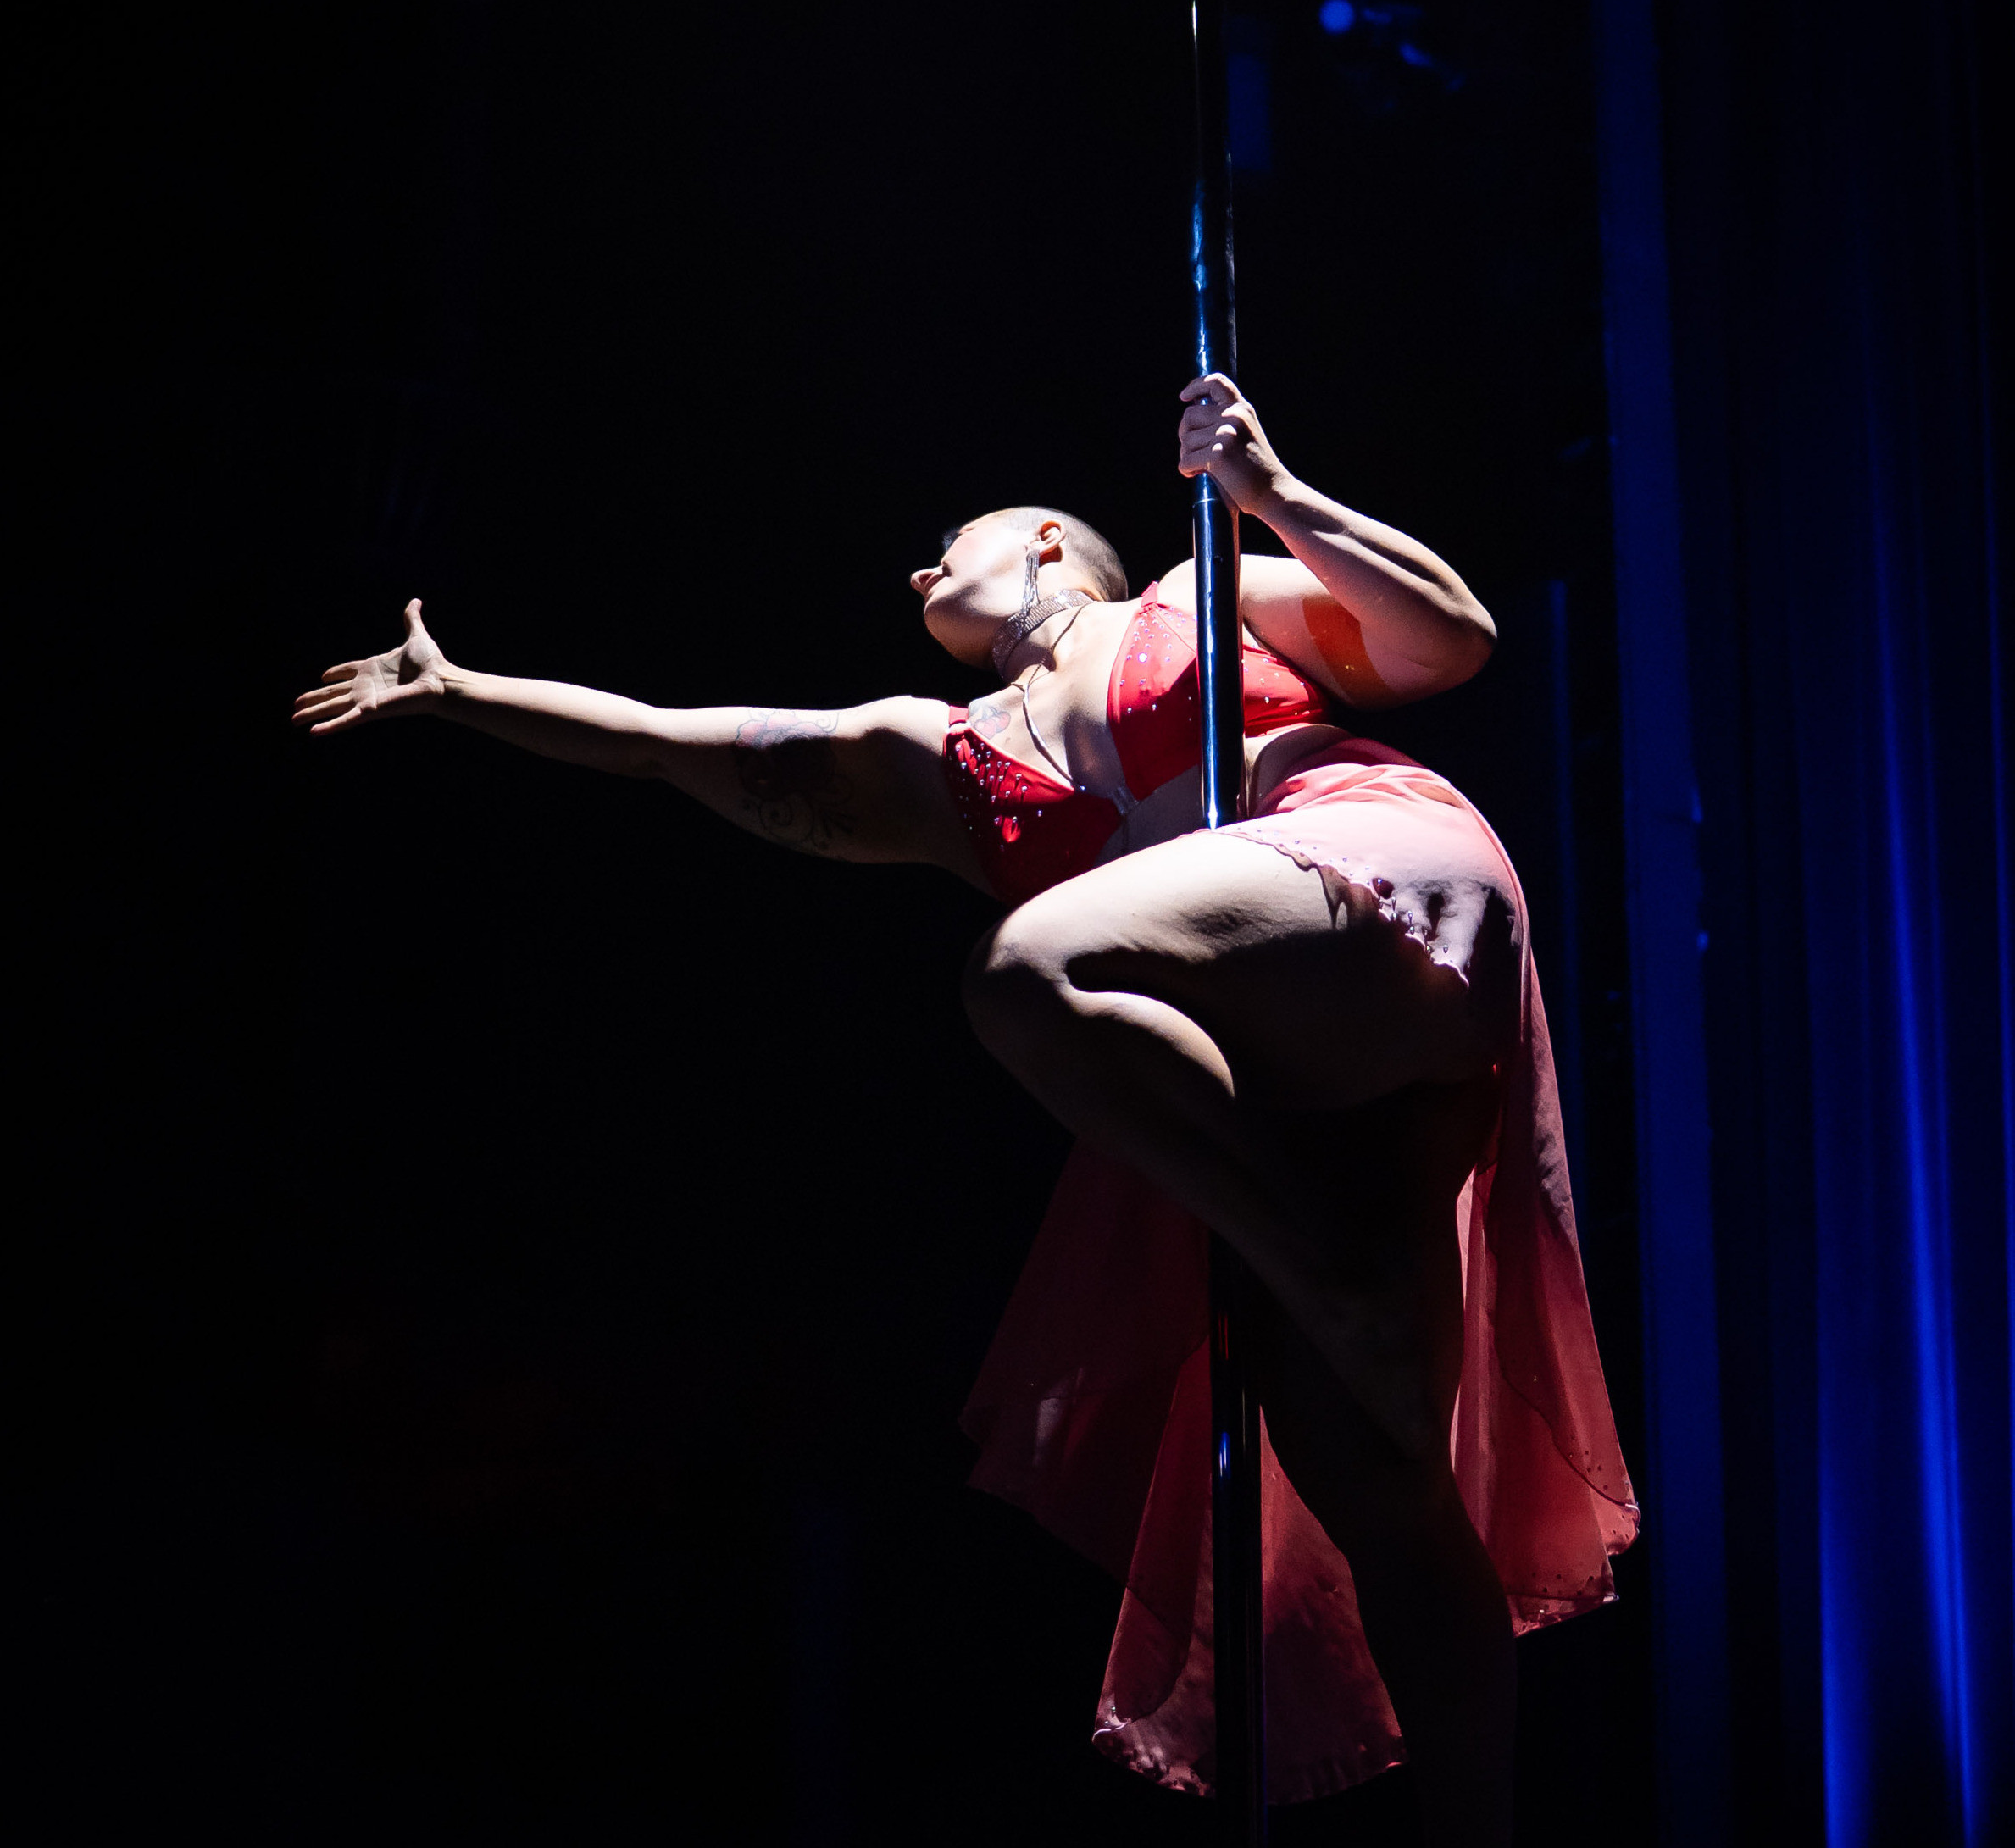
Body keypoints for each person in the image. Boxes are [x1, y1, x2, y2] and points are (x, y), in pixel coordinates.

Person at [294, 374, 1635, 1846]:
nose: (920, 564)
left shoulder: (1192, 590)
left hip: (1369, 892)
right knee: (1377, 1489)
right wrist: (467, 692)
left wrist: (1270, 492)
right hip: (1275, 1080)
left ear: (1056, 544)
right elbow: (680, 739)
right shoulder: (940, 758)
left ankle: (1326, 1272)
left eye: (959, 537)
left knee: (1023, 965)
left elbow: (1448, 641)